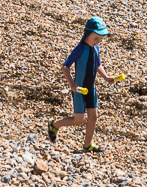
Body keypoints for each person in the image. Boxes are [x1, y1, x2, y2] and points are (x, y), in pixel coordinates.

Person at [48, 16, 119, 154]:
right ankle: (54, 124)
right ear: (87, 35)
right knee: (78, 120)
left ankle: (87, 145)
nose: (98, 41)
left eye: (100, 39)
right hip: (79, 89)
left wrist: (106, 77)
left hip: (91, 88)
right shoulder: (80, 49)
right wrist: (72, 84)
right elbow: (65, 66)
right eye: (96, 38)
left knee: (93, 116)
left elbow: (97, 64)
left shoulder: (96, 48)